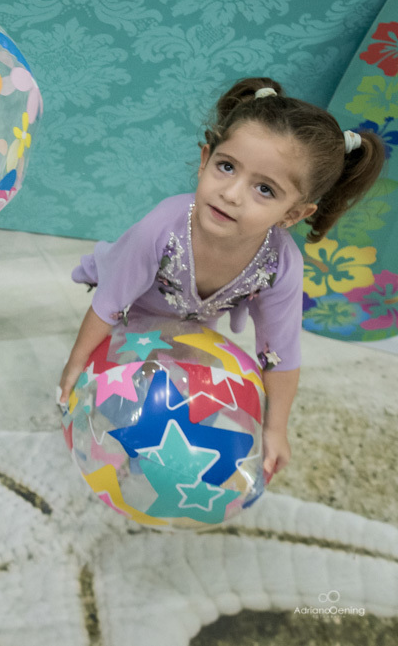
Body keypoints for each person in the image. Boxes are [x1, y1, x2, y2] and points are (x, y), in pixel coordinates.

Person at [57, 77, 386, 478]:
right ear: (205, 159)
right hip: (129, 313)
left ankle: (159, 466)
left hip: (194, 329)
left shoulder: (280, 264)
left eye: (264, 189)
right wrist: (74, 367)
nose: (231, 193)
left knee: (187, 406)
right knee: (120, 397)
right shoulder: (161, 227)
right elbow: (110, 303)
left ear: (293, 214)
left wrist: (275, 428)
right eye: (226, 167)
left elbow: (279, 353)